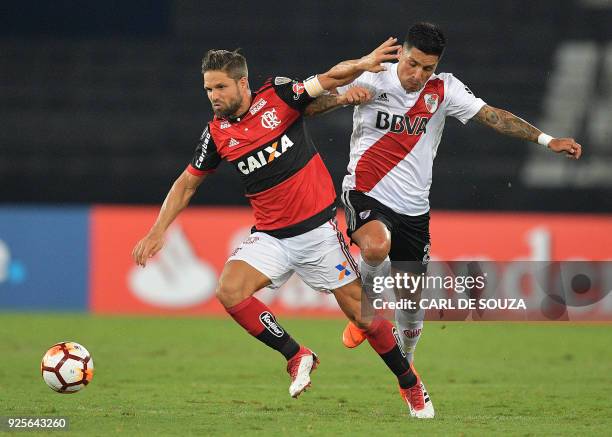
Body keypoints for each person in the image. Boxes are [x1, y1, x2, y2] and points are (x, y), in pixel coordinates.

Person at [132, 39, 435, 419]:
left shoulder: (277, 95)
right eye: (208, 89)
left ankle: (410, 384)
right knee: (229, 291)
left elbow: (327, 79)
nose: (214, 95)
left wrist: (362, 63)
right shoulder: (217, 134)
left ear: (242, 84)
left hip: (318, 236)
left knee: (365, 319)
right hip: (271, 237)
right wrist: (158, 230)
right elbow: (187, 183)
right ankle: (297, 355)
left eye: (220, 87)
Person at [306, 22, 583, 419]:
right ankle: (362, 309)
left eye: (428, 69)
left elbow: (493, 116)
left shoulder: (445, 89)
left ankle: (407, 359)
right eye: (414, 64)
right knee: (374, 245)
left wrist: (546, 139)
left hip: (415, 209)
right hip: (365, 193)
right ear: (400, 53)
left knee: (412, 306)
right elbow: (310, 105)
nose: (419, 75)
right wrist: (344, 98)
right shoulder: (370, 73)